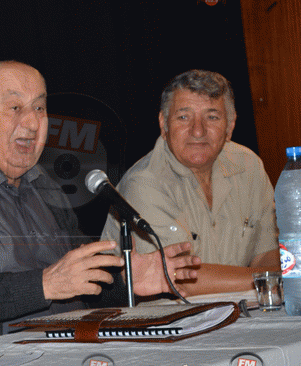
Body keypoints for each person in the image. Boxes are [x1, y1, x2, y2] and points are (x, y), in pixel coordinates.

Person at [0, 61, 199, 350]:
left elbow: (76, 281)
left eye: (39, 108)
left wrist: (126, 280)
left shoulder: (42, 182)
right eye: (15, 107)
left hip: (72, 349)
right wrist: (43, 285)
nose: (32, 123)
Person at [100, 70, 279, 295]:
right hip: (164, 313)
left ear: (230, 126)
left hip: (238, 308)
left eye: (212, 117)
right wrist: (274, 279)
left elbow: (266, 254)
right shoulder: (144, 183)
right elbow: (180, 278)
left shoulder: (249, 166)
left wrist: (288, 270)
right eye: (183, 117)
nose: (198, 131)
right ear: (163, 124)